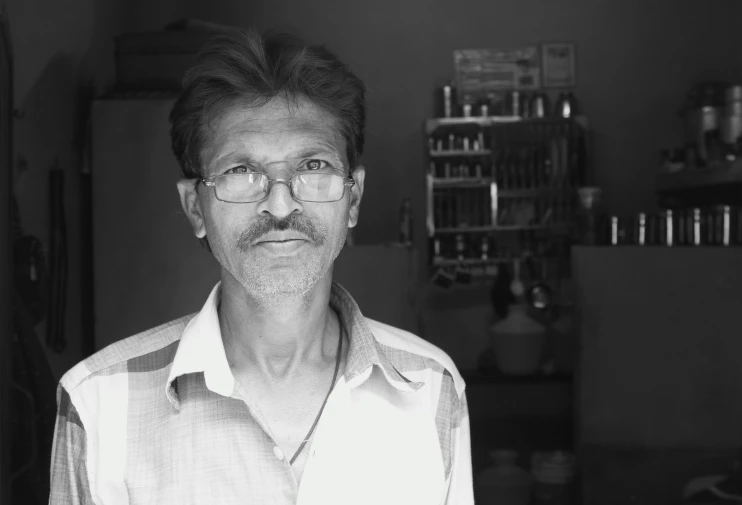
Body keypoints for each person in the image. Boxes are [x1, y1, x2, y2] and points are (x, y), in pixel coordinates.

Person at [48, 28, 474, 505]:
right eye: (239, 172)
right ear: (195, 208)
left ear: (353, 198)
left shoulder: (431, 389)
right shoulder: (100, 404)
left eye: (312, 167)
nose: (279, 204)